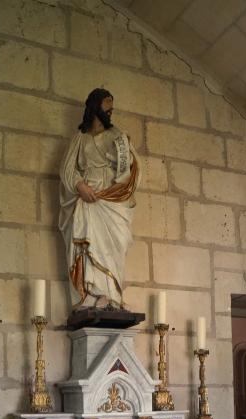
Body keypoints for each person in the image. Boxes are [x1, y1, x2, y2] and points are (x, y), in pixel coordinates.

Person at [59, 88, 141, 311]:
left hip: (113, 201)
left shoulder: (118, 137)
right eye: (107, 109)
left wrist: (122, 164)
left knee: (117, 244)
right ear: (94, 108)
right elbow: (67, 169)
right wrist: (79, 185)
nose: (110, 114)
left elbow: (132, 169)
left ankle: (112, 296)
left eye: (112, 111)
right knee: (87, 243)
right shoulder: (80, 139)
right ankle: (91, 293)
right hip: (88, 199)